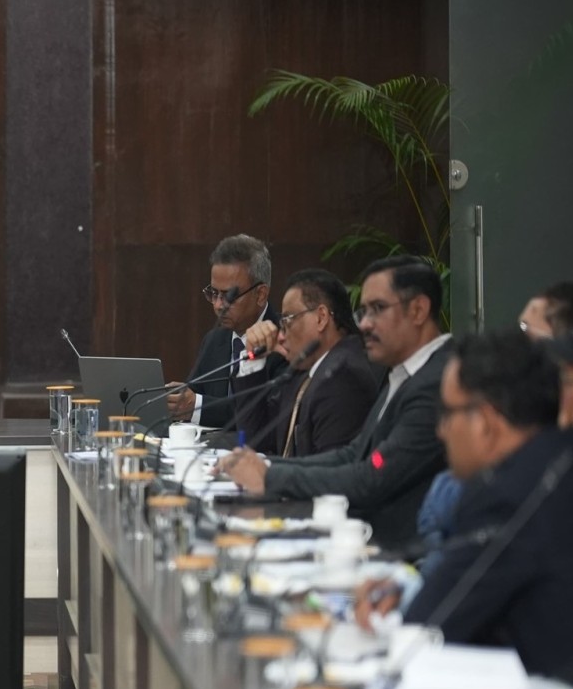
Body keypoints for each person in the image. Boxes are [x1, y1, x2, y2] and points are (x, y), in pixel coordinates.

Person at [360, 331, 573, 681]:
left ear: (487, 422)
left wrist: (413, 600)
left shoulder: (506, 494)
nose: (442, 431)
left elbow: (426, 628)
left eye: (447, 414)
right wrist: (410, 588)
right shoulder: (557, 460)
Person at [219, 255, 451, 548]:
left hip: (398, 553)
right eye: (363, 312)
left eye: (377, 309)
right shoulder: (404, 373)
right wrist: (264, 466)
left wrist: (270, 476)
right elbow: (355, 454)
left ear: (418, 310)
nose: (365, 324)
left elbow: (372, 476)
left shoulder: (439, 380)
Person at [230, 268, 381, 457]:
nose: (281, 335)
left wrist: (268, 474)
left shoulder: (343, 376)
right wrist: (254, 359)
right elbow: (257, 438)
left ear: (321, 318)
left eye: (288, 320)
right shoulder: (305, 368)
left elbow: (327, 473)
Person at [165, 235, 285, 429]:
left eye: (230, 295)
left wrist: (197, 407)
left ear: (261, 294)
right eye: (214, 293)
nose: (219, 305)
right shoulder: (214, 340)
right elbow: (192, 396)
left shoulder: (284, 340)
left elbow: (269, 414)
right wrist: (177, 400)